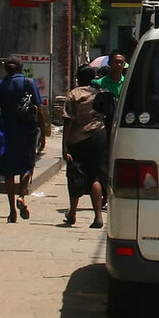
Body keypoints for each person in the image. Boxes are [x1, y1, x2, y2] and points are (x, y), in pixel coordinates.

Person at [0, 57, 42, 223]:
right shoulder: (28, 83)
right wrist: (43, 132)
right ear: (21, 68)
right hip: (27, 131)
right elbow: (38, 109)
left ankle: (12, 210)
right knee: (28, 165)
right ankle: (22, 195)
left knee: (8, 172)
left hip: (7, 133)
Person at [61, 65, 107, 228]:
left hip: (78, 139)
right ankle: (98, 216)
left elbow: (68, 121)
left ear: (78, 78)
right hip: (99, 137)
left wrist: (64, 146)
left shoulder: (73, 95)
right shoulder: (99, 93)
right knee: (94, 177)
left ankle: (72, 213)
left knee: (75, 174)